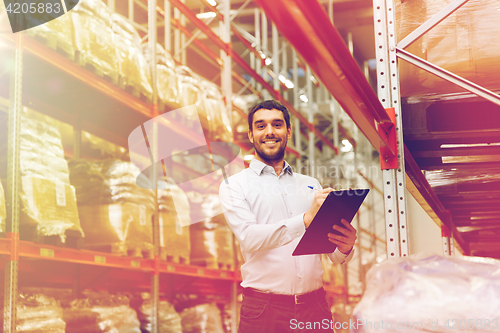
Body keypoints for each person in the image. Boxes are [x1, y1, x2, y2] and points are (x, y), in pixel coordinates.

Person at [219, 100, 357, 333]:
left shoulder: (310, 185)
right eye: (261, 126)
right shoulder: (235, 185)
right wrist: (305, 220)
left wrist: (344, 247)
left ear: (288, 132)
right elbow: (249, 238)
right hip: (264, 310)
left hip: (315, 306)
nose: (270, 132)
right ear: (251, 135)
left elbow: (331, 254)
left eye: (277, 125)